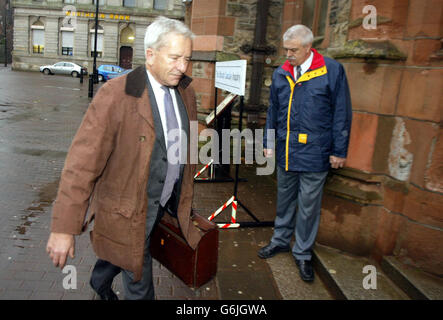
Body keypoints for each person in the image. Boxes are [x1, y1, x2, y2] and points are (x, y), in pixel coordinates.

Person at [46, 16, 202, 300]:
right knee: (141, 288)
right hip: (126, 215)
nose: (183, 67)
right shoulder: (117, 95)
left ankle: (99, 279)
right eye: (176, 57)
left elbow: (184, 151)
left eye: (187, 59)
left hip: (162, 209)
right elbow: (81, 165)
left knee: (119, 254)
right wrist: (63, 228)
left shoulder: (186, 93)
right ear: (151, 54)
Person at [259, 25, 352, 282]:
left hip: (316, 152)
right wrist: (268, 142)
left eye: (293, 50)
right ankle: (279, 240)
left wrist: (339, 150)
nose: (288, 54)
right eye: (285, 49)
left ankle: (302, 253)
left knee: (309, 206)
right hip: (286, 151)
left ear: (309, 48)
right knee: (284, 199)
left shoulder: (332, 71)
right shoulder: (281, 73)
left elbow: (342, 112)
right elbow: (273, 111)